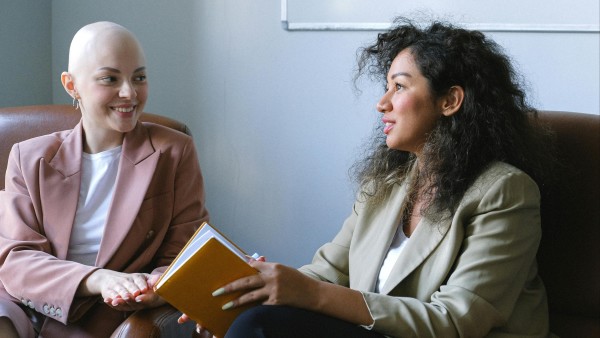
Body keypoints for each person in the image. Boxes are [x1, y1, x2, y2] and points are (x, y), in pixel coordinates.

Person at [183, 17, 556, 337]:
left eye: (399, 87)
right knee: (252, 318)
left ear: (450, 101)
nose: (382, 102)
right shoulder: (385, 186)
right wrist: (241, 293)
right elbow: (325, 275)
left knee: (259, 326)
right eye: (386, 86)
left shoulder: (505, 191)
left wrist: (305, 296)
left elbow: (456, 321)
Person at [0, 21, 209, 337]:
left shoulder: (174, 152)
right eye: (110, 79)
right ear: (72, 85)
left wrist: (158, 286)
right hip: (23, 306)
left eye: (139, 77)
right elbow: (16, 259)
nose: (129, 92)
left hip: (107, 315)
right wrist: (97, 278)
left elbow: (184, 253)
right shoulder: (29, 157)